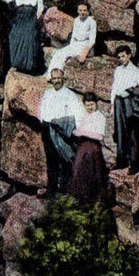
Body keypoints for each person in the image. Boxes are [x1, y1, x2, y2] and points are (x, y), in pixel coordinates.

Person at [36, 67, 84, 196]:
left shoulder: (69, 95)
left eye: (58, 78)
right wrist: (43, 121)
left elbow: (78, 113)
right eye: (54, 78)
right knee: (51, 161)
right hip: (47, 129)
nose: (56, 80)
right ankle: (51, 190)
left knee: (65, 160)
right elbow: (41, 108)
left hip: (61, 131)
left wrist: (74, 130)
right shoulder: (47, 93)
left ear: (63, 79)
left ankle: (65, 189)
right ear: (51, 79)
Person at [110, 45, 139, 174]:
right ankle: (121, 162)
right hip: (119, 103)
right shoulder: (118, 70)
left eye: (123, 56)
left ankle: (134, 164)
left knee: (133, 134)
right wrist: (112, 106)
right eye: (119, 57)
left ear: (129, 55)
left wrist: (132, 92)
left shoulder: (137, 71)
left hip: (132, 104)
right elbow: (114, 88)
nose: (121, 59)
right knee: (120, 132)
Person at [0, 0, 45, 74]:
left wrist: (36, 18)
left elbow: (40, 6)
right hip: (19, 15)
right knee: (15, 36)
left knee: (29, 38)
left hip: (30, 16)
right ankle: (16, 63)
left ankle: (27, 66)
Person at [68, 95, 110, 204]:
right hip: (82, 145)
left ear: (96, 104)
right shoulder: (83, 116)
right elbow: (77, 130)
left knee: (93, 170)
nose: (90, 107)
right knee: (78, 168)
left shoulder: (100, 117)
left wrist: (82, 132)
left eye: (92, 104)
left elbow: (99, 136)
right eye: (87, 105)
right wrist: (79, 132)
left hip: (93, 146)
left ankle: (94, 197)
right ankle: (80, 197)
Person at [46, 2, 97, 74]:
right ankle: (52, 75)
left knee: (63, 55)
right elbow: (73, 36)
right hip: (75, 44)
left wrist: (85, 52)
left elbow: (92, 40)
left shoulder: (92, 22)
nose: (82, 12)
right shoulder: (76, 20)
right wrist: (71, 46)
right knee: (58, 53)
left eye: (84, 10)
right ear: (78, 11)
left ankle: (58, 75)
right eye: (80, 10)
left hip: (86, 45)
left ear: (88, 11)